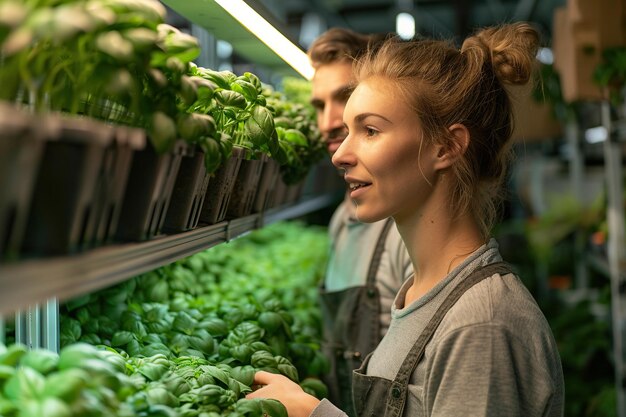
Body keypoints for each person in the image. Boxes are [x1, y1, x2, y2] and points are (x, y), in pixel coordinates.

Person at [248, 22, 565, 417]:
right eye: (348, 131)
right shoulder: (419, 295)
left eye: (370, 130)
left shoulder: (480, 325)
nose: (339, 154)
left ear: (447, 146)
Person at [306, 28, 413, 416]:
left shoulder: (407, 232)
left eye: (345, 98)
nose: (328, 122)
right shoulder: (341, 219)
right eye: (318, 105)